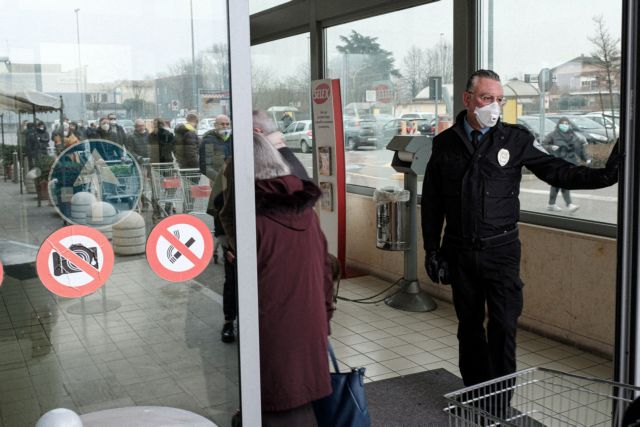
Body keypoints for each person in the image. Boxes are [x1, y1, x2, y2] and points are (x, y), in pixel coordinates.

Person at [421, 69, 620, 392]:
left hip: (501, 252)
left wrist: (604, 176)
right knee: (469, 328)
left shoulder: (515, 139)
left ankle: (498, 403)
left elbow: (557, 171)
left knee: (503, 327)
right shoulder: (445, 144)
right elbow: (432, 202)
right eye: (487, 98)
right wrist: (432, 248)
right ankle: (474, 394)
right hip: (459, 252)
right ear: (468, 99)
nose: (494, 106)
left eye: (499, 99)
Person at [252, 132, 333, 425]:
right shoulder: (306, 211)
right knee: (300, 404)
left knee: (277, 404)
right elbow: (325, 269)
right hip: (309, 324)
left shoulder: (255, 220)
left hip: (273, 331)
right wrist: (325, 317)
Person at [542, 117, 590, 213]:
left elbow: (579, 149)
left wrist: (586, 158)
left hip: (570, 163)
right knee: (562, 183)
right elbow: (543, 145)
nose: (565, 125)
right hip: (557, 163)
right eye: (563, 123)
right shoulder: (553, 135)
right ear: (559, 124)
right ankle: (569, 205)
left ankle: (551, 204)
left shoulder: (573, 135)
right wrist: (551, 147)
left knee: (557, 184)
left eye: (567, 123)